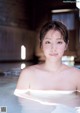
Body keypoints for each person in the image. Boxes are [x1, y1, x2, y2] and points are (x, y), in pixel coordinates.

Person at [14, 20, 80, 112]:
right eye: (48, 42)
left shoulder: (77, 75)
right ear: (41, 44)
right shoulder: (28, 74)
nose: (53, 48)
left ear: (66, 45)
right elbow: (20, 105)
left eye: (59, 42)